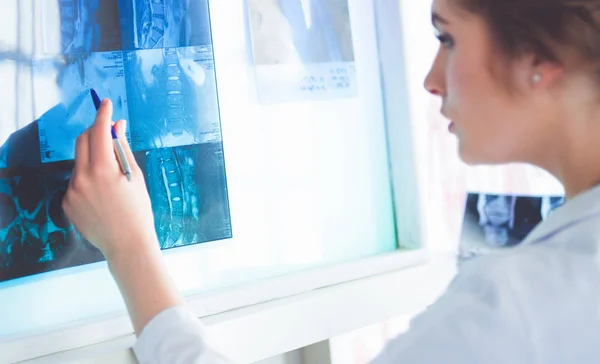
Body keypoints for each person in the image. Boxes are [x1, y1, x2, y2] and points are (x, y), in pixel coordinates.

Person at [62, 0, 600, 363]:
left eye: (448, 39)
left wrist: (131, 247)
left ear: (539, 59)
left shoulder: (522, 306)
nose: (430, 80)